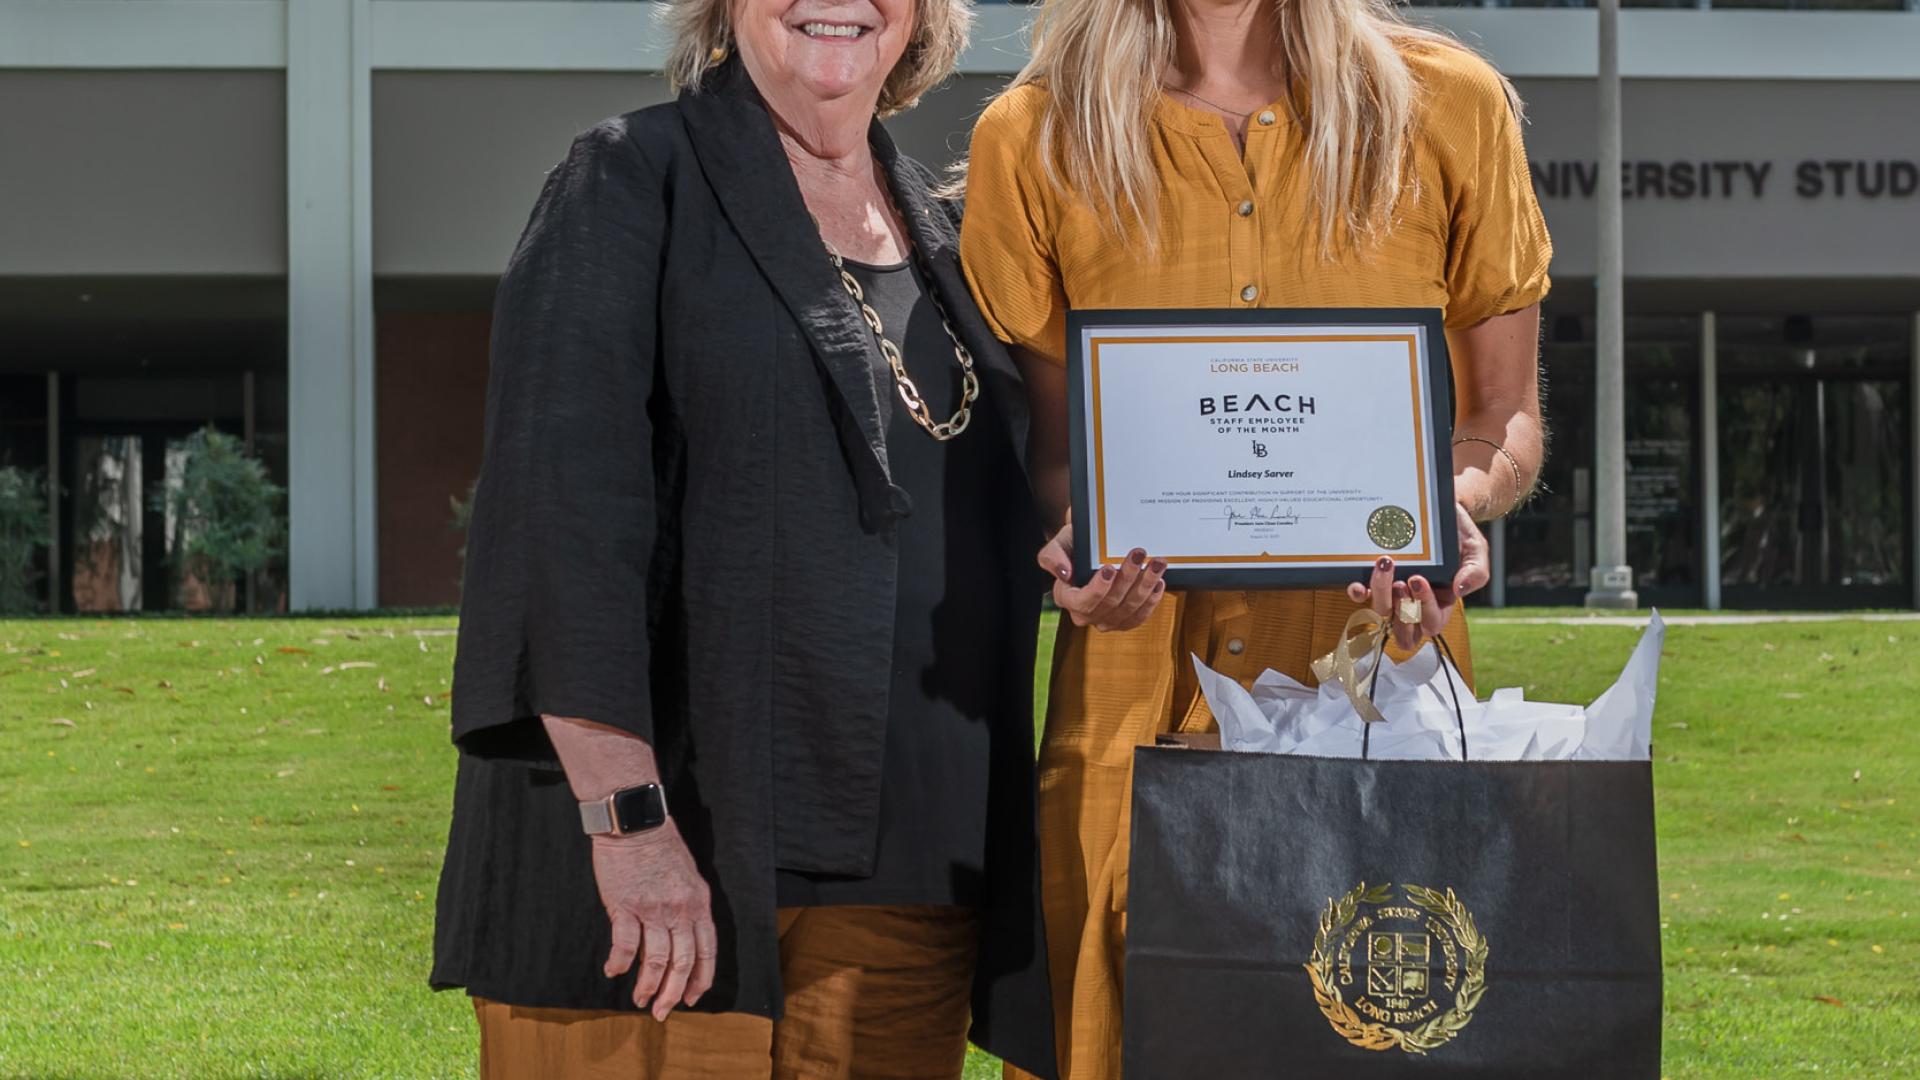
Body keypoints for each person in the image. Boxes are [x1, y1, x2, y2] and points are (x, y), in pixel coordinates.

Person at [429, 0, 1057, 1074]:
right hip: (679, 866)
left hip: (913, 886)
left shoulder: (954, 237)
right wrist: (628, 826)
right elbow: (556, 524)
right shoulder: (629, 179)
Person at [959, 0, 1552, 1072]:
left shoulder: (1445, 107)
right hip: (1133, 701)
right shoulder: (1035, 132)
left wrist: (1454, 502)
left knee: (1381, 1033)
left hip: (1385, 693)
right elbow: (1059, 454)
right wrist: (1073, 541)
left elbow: (1502, 418)